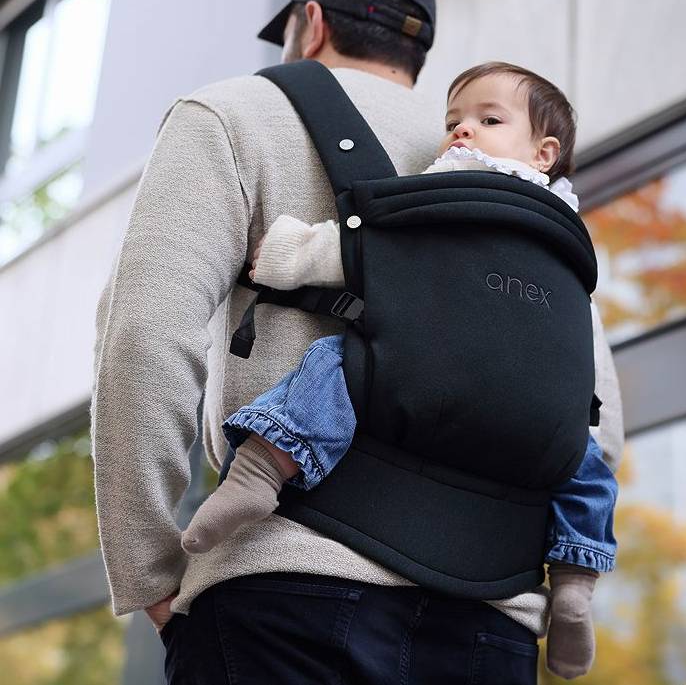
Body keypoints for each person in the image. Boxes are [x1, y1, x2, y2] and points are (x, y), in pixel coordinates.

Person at [92, 0, 624, 685]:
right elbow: (595, 421)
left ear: (310, 25)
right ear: (418, 54)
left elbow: (145, 336)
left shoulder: (235, 112)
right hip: (493, 620)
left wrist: (149, 571)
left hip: (285, 590)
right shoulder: (519, 182)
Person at [179, 60, 618, 679]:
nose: (462, 131)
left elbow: (363, 249)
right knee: (586, 457)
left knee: (335, 364)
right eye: (454, 120)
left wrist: (279, 254)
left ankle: (264, 466)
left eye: (489, 120)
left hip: (413, 387)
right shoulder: (568, 247)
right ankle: (574, 579)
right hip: (506, 556)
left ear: (545, 152)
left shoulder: (446, 196)